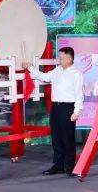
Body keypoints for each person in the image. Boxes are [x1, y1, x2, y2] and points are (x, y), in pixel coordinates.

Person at [22, 47, 84, 176]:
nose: (59, 60)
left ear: (70, 58)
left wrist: (76, 112)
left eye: (61, 58)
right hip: (55, 107)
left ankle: (70, 167)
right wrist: (30, 67)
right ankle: (58, 165)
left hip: (68, 108)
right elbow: (44, 77)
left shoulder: (76, 74)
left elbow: (79, 95)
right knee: (56, 137)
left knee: (67, 138)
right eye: (59, 58)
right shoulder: (57, 70)